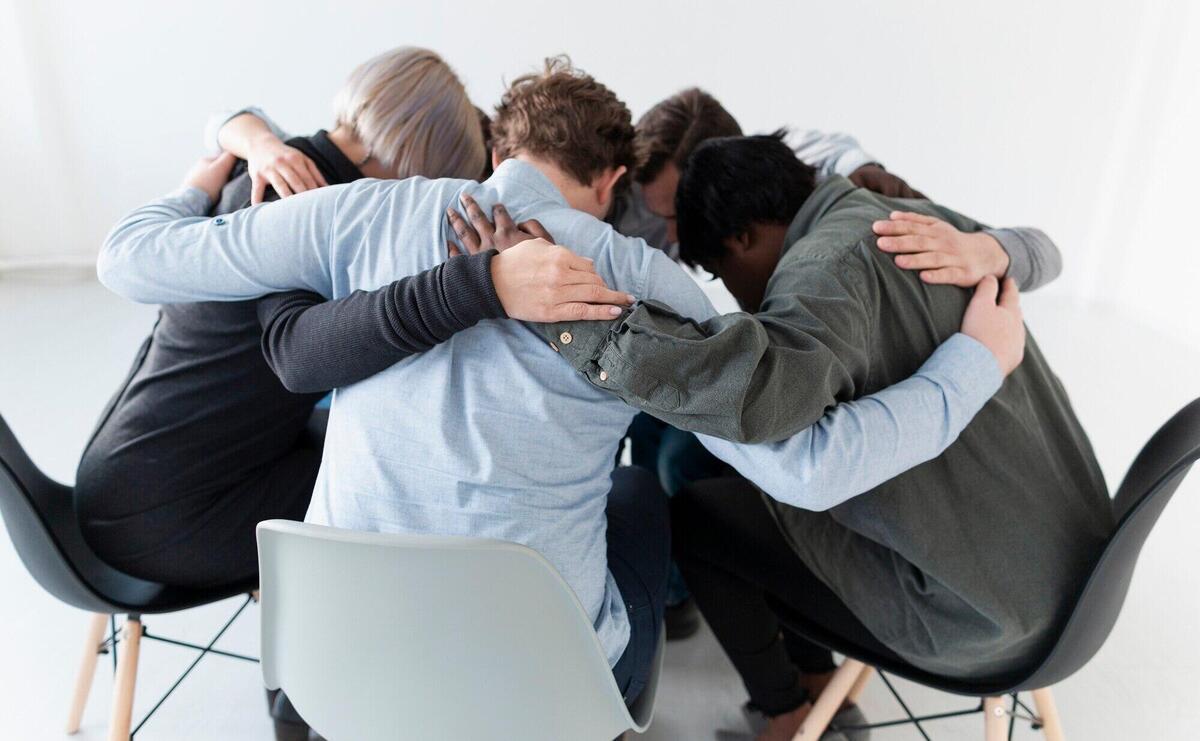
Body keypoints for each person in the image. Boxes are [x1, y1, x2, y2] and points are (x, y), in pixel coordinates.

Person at [94, 57, 1025, 716]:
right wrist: (972, 366)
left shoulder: (354, 213)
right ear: (613, 177)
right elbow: (811, 467)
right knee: (640, 493)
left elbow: (130, 261)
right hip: (546, 686)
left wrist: (217, 160)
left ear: (498, 143)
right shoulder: (645, 280)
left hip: (330, 664)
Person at [75, 47, 631, 740]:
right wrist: (481, 286)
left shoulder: (279, 162)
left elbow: (233, 123)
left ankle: (322, 694)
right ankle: (317, 707)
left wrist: (227, 145)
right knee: (384, 507)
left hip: (118, 479)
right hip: (170, 515)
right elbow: (298, 353)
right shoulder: (302, 204)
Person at [538, 132, 1111, 740]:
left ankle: (787, 715)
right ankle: (814, 687)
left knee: (698, 519)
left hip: (984, 623)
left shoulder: (819, 275)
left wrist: (581, 325)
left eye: (723, 272)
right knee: (744, 487)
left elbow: (766, 412)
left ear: (741, 238)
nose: (735, 293)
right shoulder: (913, 217)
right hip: (1082, 574)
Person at [608, 88, 1064, 644]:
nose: (672, 235)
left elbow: (807, 462)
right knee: (676, 444)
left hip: (984, 616)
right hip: (1064, 557)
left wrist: (991, 253)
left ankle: (794, 699)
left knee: (702, 493)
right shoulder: (882, 218)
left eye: (680, 217)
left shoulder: (830, 258)